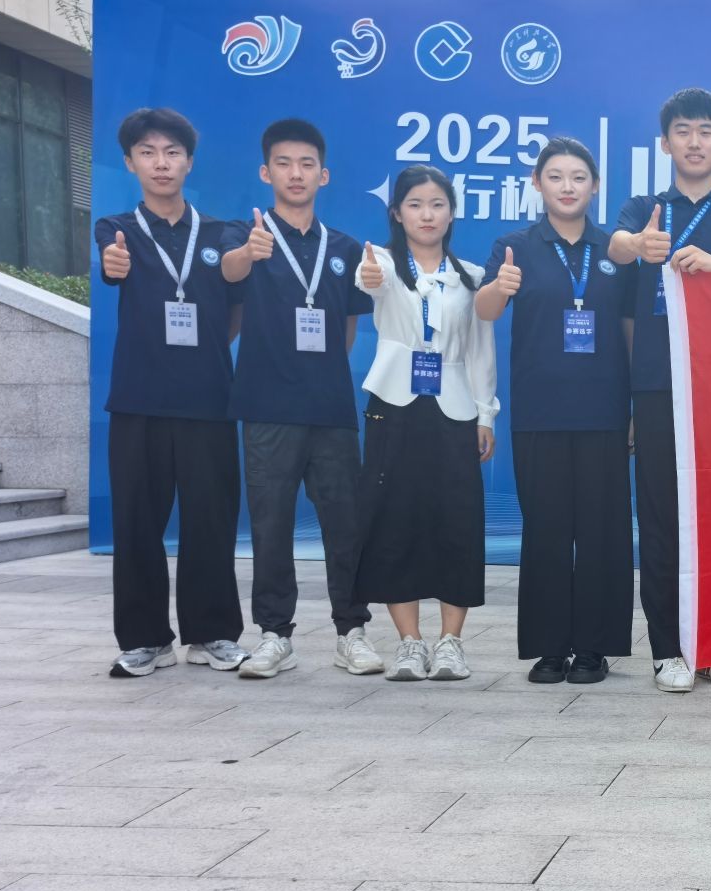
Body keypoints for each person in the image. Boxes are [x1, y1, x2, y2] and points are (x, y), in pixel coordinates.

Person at [608, 87, 711, 694]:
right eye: (683, 131)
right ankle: (667, 650)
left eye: (706, 132)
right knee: (660, 515)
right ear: (665, 144)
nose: (695, 142)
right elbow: (616, 246)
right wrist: (639, 246)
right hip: (659, 385)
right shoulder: (645, 208)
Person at [217, 119, 380, 681]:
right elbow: (229, 272)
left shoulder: (345, 248)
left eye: (306, 164)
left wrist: (321, 371)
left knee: (345, 524)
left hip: (330, 409)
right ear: (266, 173)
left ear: (323, 175)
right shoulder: (247, 234)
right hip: (266, 408)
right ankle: (274, 635)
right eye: (284, 164)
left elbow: (349, 329)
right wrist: (247, 253)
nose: (296, 173)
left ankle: (351, 631)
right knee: (270, 525)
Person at [96, 107, 245, 678]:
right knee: (137, 523)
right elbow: (113, 267)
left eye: (172, 153)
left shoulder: (221, 234)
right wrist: (113, 265)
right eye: (148, 153)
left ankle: (212, 634)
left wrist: (204, 349)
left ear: (189, 162)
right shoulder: (117, 230)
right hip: (138, 400)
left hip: (208, 400)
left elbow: (234, 311)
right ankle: (145, 640)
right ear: (130, 162)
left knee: (211, 521)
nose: (161, 163)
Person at [477, 138, 632, 687]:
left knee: (601, 533)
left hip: (605, 412)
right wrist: (499, 287)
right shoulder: (515, 246)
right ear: (537, 184)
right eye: (556, 176)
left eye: (579, 177)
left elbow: (630, 330)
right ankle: (548, 648)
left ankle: (593, 648)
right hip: (539, 412)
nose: (568, 187)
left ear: (595, 186)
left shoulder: (616, 249)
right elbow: (484, 310)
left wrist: (634, 406)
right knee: (545, 531)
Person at [352, 167, 498, 682]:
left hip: (455, 407)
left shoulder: (472, 277)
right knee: (395, 519)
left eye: (437, 204)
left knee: (457, 520)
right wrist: (369, 276)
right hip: (393, 403)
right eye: (415, 204)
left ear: (452, 213)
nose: (427, 214)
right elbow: (369, 282)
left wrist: (485, 412)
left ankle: (451, 642)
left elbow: (480, 348)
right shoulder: (383, 263)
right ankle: (409, 643)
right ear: (397, 213)